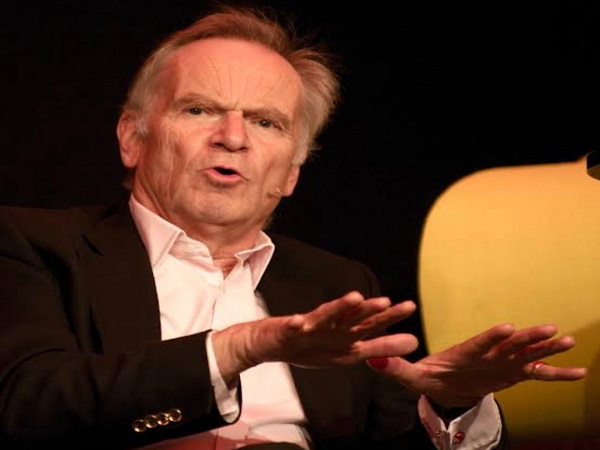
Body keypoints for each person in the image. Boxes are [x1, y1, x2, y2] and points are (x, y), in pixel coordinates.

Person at [0, 3, 587, 450]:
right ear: (133, 137)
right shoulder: (36, 245)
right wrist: (243, 346)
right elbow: (27, 405)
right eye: (200, 109)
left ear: (291, 173)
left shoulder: (334, 284)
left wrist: (451, 402)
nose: (233, 137)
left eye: (266, 122)